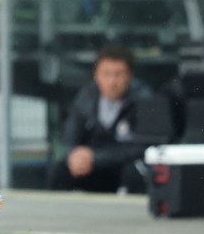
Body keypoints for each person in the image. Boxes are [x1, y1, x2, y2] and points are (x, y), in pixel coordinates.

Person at [47, 44, 149, 194]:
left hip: (120, 166)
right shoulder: (86, 97)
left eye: (118, 75)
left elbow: (140, 148)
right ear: (96, 75)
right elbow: (70, 137)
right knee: (61, 170)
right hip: (90, 166)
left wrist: (96, 157)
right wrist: (74, 155)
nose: (112, 82)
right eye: (106, 74)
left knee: (133, 173)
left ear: (130, 76)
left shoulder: (143, 101)